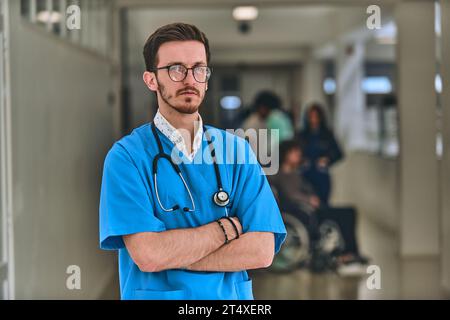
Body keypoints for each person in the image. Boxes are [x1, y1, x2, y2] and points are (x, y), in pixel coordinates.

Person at [99, 23, 286, 300]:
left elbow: (261, 250)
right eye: (176, 69)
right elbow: (149, 255)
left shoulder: (237, 151)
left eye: (199, 69)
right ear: (151, 80)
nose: (189, 79)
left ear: (207, 79)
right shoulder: (126, 157)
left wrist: (172, 255)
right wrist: (225, 229)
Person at [269, 140, 368, 268]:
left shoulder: (294, 173)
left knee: (349, 212)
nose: (298, 155)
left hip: (309, 208)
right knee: (347, 214)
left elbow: (304, 189)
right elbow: (291, 195)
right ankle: (349, 253)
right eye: (295, 153)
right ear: (286, 154)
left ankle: (349, 252)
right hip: (304, 211)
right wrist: (309, 199)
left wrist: (311, 197)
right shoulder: (282, 174)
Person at [298, 103, 343, 206]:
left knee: (323, 202)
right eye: (311, 117)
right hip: (305, 174)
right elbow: (294, 153)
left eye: (316, 117)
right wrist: (301, 161)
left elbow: (339, 153)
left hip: (321, 175)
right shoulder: (302, 135)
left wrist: (328, 160)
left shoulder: (327, 134)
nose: (313, 120)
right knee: (306, 201)